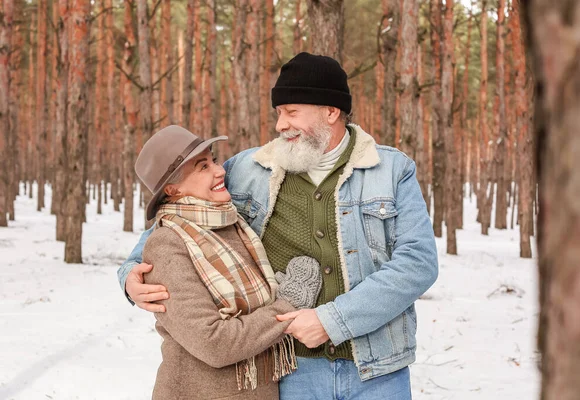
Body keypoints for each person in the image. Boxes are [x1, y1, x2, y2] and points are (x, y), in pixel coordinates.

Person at [119, 52, 439, 399]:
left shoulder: (391, 170)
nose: (279, 125)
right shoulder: (249, 169)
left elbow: (417, 262)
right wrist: (129, 275)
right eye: (278, 113)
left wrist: (333, 320)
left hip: (377, 371)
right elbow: (174, 222)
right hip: (291, 370)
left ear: (330, 111)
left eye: (291, 112)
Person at [131, 125, 323, 400]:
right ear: (173, 189)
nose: (220, 171)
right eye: (202, 167)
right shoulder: (167, 244)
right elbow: (214, 343)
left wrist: (279, 289)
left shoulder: (232, 225)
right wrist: (287, 305)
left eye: (214, 160)